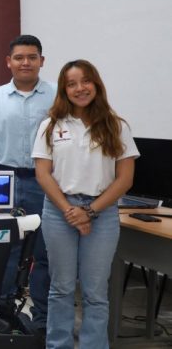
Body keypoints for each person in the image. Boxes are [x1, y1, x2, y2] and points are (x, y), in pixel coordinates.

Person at [32, 60, 139, 349]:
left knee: (95, 292)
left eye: (85, 81)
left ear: (96, 84)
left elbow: (124, 178)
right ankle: (59, 345)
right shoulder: (51, 125)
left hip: (101, 213)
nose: (80, 88)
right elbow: (43, 173)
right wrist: (70, 210)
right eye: (71, 83)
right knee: (61, 288)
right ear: (64, 90)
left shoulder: (116, 126)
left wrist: (90, 211)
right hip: (58, 211)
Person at [0, 34, 54, 327]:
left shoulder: (57, 97)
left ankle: (43, 318)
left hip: (46, 184)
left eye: (32, 57)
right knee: (3, 249)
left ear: (42, 61)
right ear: (9, 62)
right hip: (1, 182)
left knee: (45, 253)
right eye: (19, 57)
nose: (25, 62)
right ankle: (2, 311)